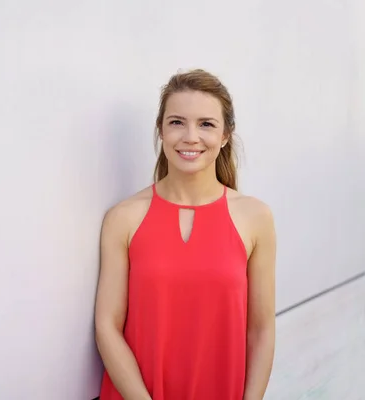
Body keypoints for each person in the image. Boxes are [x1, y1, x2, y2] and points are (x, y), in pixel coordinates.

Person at [94, 69, 276, 400]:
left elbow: (261, 330)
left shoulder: (255, 218)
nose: (190, 136)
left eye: (206, 124)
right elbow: (107, 325)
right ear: (161, 130)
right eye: (177, 122)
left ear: (224, 136)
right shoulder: (124, 217)